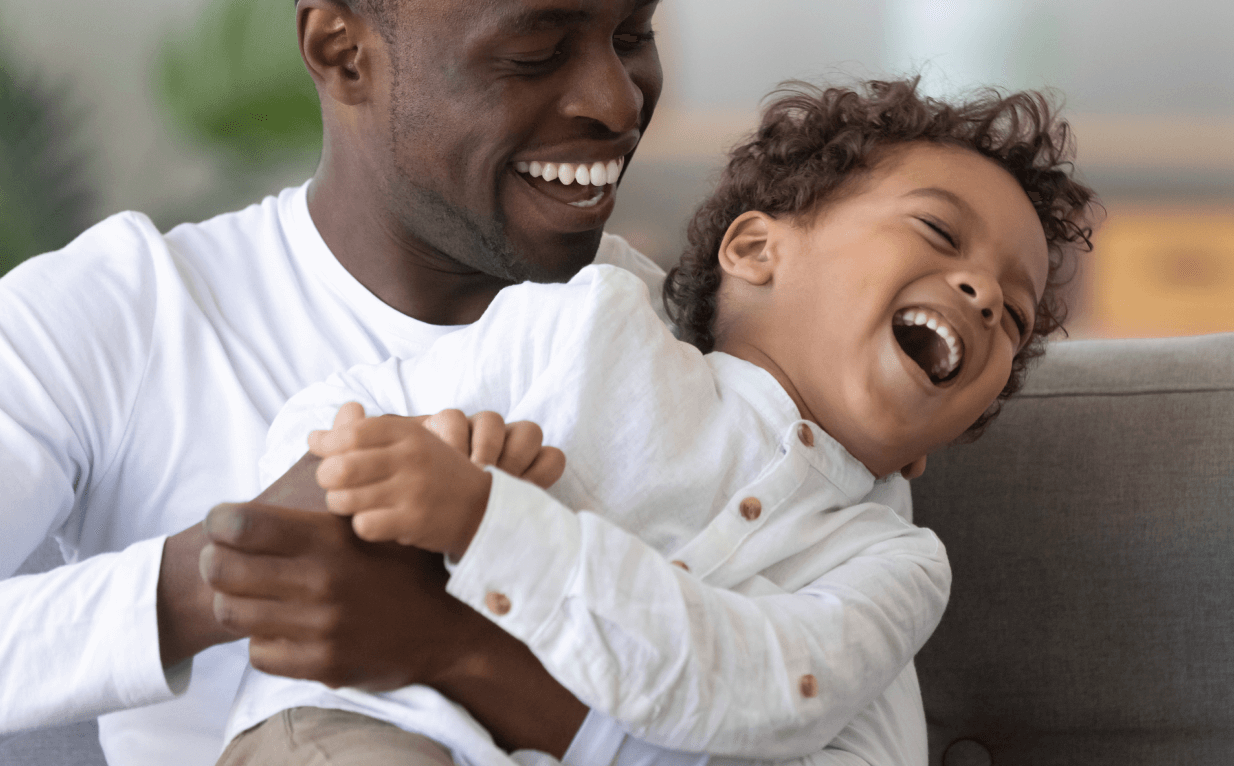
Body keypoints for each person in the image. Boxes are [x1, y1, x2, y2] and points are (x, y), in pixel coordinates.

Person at [0, 0, 950, 765]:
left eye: (634, 36)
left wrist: (458, 650)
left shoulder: (747, 368)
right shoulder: (125, 312)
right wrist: (224, 575)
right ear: (342, 53)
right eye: (536, 52)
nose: (617, 101)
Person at [211, 78, 1096, 766]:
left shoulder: (894, 566)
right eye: (939, 233)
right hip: (367, 728)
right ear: (755, 249)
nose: (984, 297)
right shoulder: (590, 321)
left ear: (929, 453)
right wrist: (415, 455)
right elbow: (322, 422)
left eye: (1015, 319)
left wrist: (489, 524)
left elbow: (760, 685)